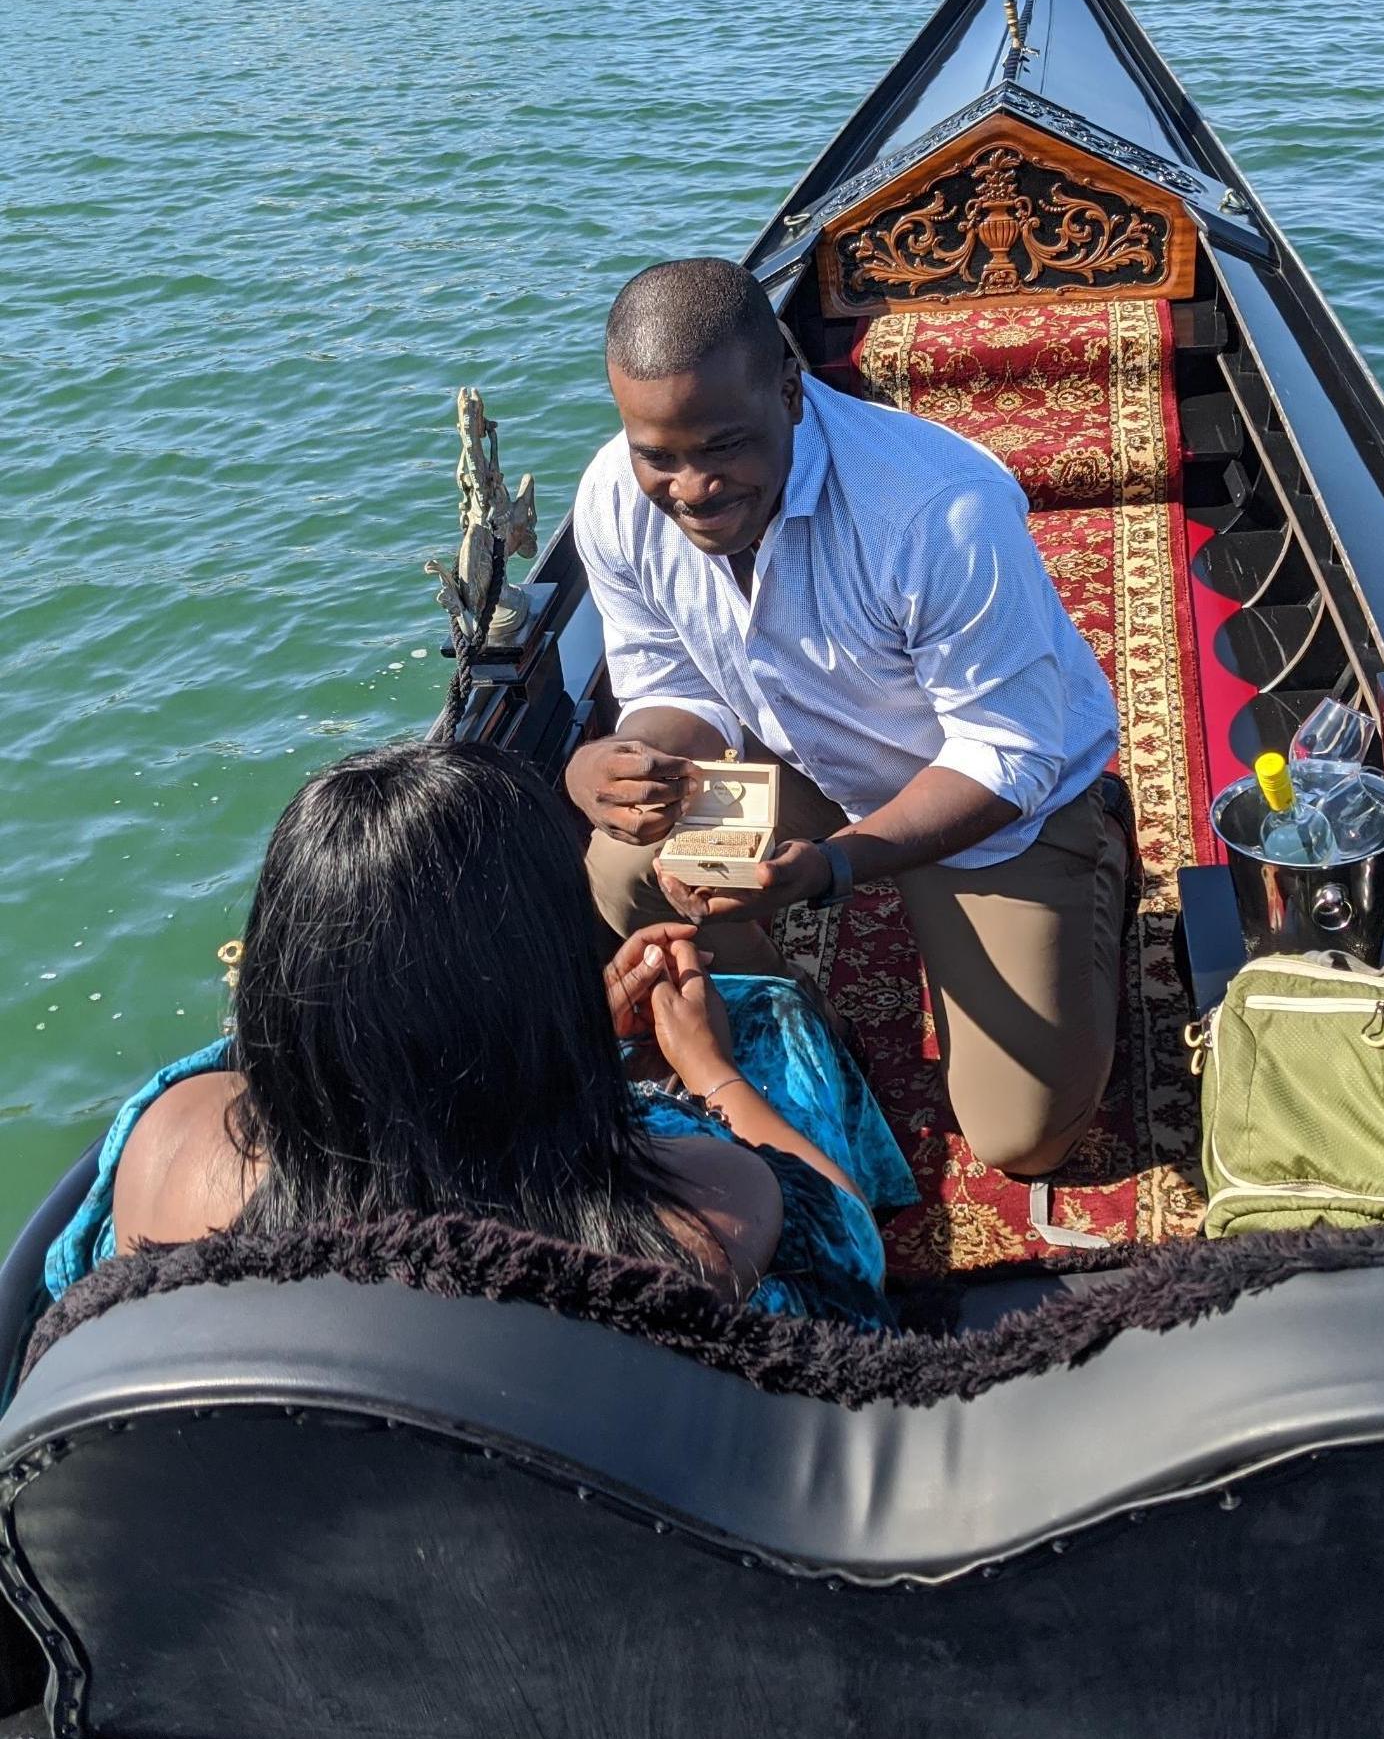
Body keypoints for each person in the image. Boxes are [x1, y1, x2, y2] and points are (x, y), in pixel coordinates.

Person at [568, 256, 1128, 1180]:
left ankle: (1096, 848)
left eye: (723, 447)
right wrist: (616, 762)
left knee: (1023, 1136)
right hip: (798, 759)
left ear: (792, 389)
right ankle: (796, 1024)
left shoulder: (936, 511)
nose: (692, 488)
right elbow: (676, 685)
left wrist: (834, 867)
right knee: (626, 863)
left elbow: (1008, 755)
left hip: (982, 804)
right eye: (658, 454)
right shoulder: (613, 495)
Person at [44, 743, 917, 1331]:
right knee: (772, 1014)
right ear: (543, 961)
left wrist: (579, 1034)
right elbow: (847, 1243)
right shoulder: (704, 1212)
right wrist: (707, 1070)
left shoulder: (169, 1134)